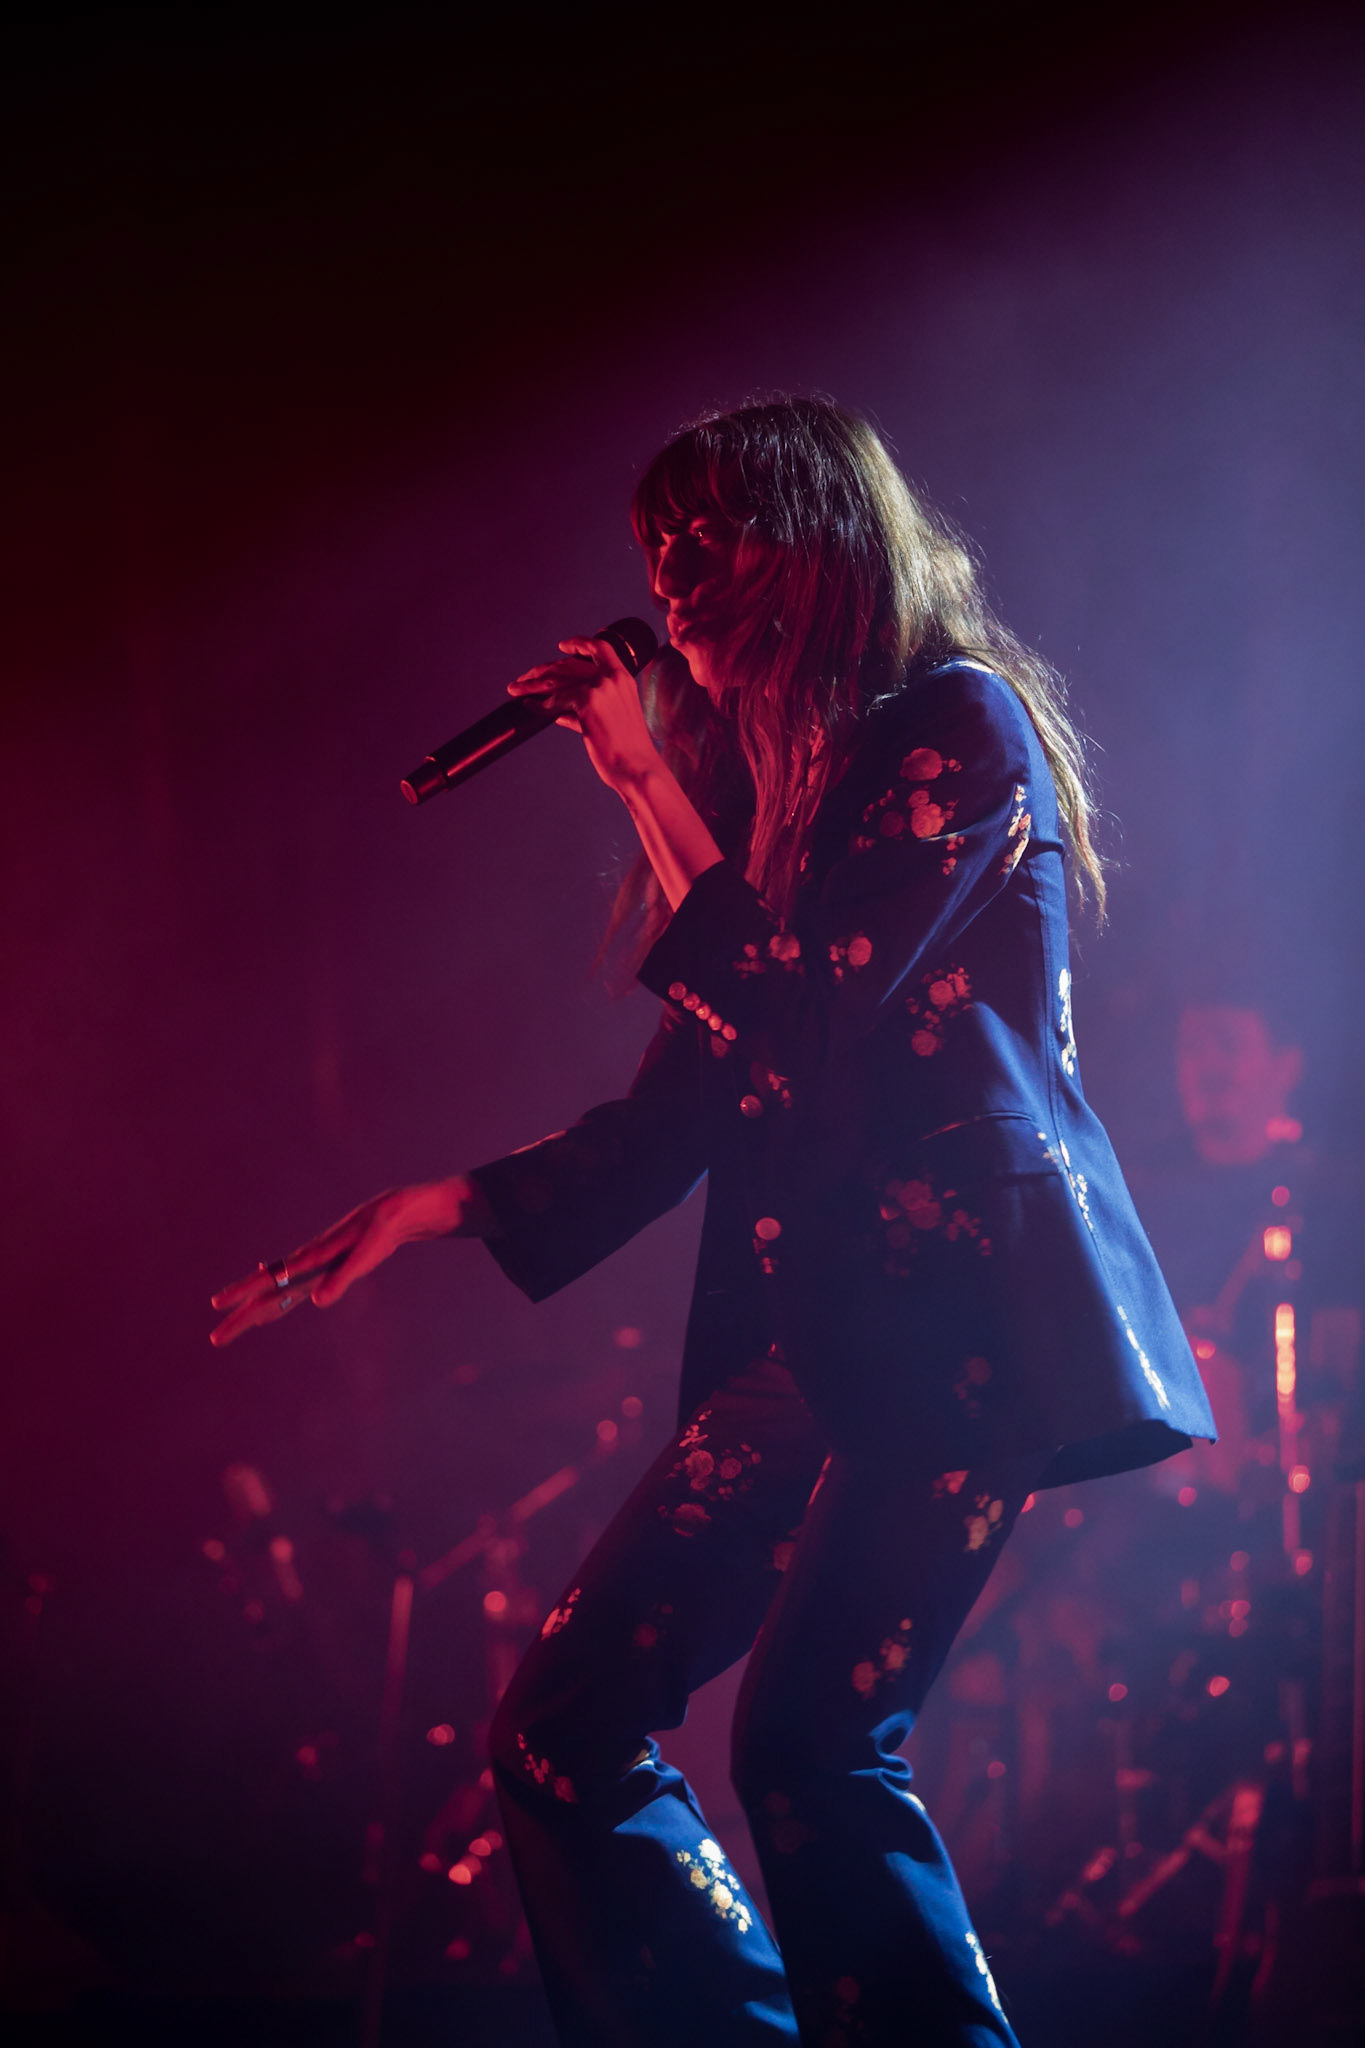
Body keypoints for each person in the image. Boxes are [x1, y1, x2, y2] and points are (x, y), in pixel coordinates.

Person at [211, 398, 1216, 2046]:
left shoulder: (956, 728)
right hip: (815, 1342)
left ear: (818, 535)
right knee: (561, 1730)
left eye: (706, 534)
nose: (667, 577)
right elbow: (695, 1099)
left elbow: (810, 1013)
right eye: (649, 547)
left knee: (811, 1745)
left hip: (964, 1330)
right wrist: (442, 1204)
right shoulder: (785, 800)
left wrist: (632, 780)